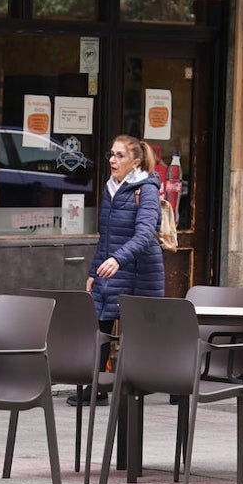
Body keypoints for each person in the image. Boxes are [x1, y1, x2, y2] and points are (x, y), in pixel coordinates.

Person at [70, 134, 165, 406]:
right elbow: (106, 236)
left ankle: (163, 380)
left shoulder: (145, 188)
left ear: (135, 161)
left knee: (141, 327)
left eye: (120, 155)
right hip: (112, 265)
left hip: (139, 268)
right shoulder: (110, 187)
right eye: (111, 154)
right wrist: (93, 271)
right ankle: (96, 386)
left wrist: (118, 260)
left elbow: (146, 233)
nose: (112, 160)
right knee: (101, 320)